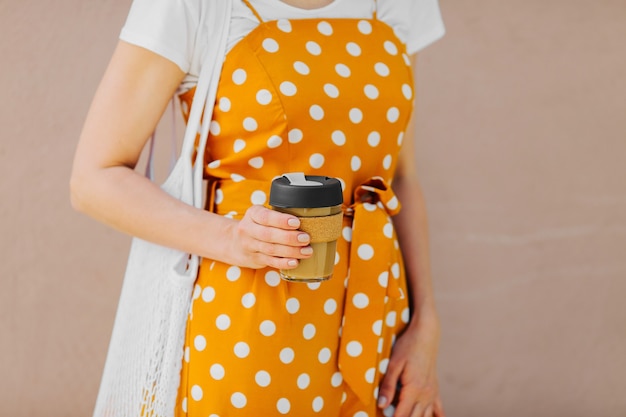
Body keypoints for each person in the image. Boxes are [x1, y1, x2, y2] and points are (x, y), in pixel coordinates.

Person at [71, 0, 446, 416]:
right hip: (247, 323)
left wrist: (425, 322)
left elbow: (400, 180)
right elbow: (93, 178)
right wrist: (232, 238)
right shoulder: (191, 5)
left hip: (379, 323)